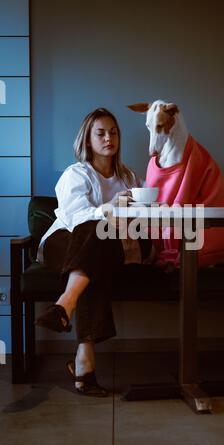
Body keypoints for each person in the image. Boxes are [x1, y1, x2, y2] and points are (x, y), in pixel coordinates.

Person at [35, 108, 152, 396]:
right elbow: (78, 219)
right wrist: (111, 208)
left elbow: (144, 217)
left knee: (97, 249)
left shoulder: (129, 177)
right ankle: (80, 350)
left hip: (106, 248)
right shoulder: (76, 173)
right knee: (94, 230)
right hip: (62, 243)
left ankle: (66, 310)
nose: (108, 137)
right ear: (87, 139)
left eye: (113, 132)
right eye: (100, 133)